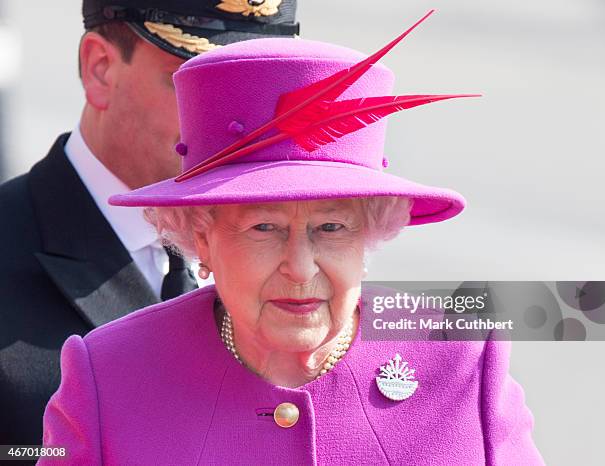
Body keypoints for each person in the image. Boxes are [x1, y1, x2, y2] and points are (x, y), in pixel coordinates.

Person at [39, 12, 544, 465]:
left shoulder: (461, 358)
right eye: (265, 228)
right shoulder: (109, 376)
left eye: (331, 228)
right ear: (202, 239)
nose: (300, 268)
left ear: (369, 234)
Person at [0, 0, 300, 447]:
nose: (241, 124)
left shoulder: (301, 245)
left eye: (257, 88)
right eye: (201, 84)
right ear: (100, 68)